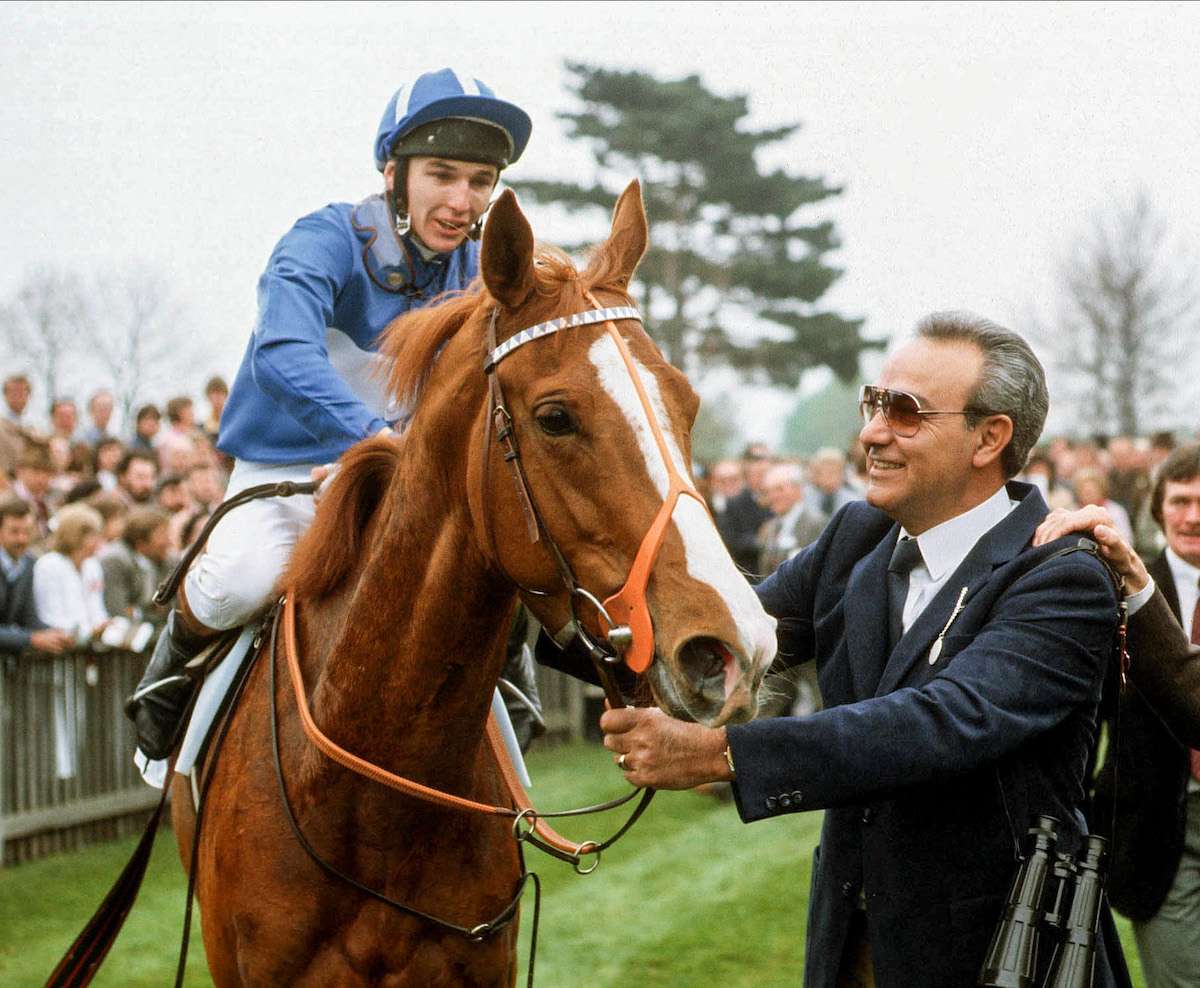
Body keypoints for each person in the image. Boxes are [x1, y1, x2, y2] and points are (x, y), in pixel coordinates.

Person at [598, 312, 1128, 987]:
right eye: (874, 404)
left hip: (1003, 954)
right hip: (850, 948)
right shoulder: (858, 536)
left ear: (989, 438)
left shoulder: (1062, 575)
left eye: (905, 412)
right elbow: (722, 639)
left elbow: (943, 721)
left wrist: (721, 752)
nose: (873, 432)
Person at [126, 68, 533, 763]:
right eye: (443, 174)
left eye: (480, 181)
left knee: (503, 570)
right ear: (393, 171)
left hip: (404, 482)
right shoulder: (321, 240)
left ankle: (512, 702)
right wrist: (372, 441)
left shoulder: (477, 270)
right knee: (239, 579)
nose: (463, 201)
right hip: (284, 470)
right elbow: (282, 354)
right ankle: (167, 678)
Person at [0, 496, 74, 654]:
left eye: (27, 532)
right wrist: (31, 639)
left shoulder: (28, 563)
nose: (21, 539)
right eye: (14, 532)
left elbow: (28, 618)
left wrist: (55, 634)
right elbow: (31, 635)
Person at [98, 505, 174, 634]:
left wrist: (138, 611)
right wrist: (147, 612)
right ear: (140, 543)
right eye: (162, 535)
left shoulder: (163, 560)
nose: (168, 542)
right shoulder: (115, 561)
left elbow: (167, 608)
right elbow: (118, 613)